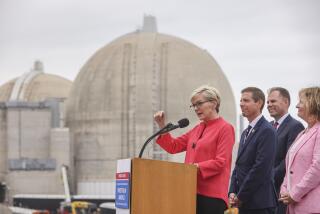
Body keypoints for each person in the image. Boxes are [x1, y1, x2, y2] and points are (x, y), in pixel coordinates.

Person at [154, 85, 235, 214]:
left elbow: (221, 162)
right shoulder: (196, 129)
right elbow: (173, 146)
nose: (196, 108)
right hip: (190, 192)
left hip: (212, 196)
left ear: (214, 103)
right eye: (194, 105)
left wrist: (194, 167)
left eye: (199, 104)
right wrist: (161, 125)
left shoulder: (225, 128)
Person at [229, 87, 277, 214]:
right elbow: (238, 165)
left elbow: (260, 168)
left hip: (259, 203)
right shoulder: (245, 132)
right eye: (240, 100)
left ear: (259, 103)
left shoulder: (267, 130)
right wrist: (233, 191)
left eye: (246, 100)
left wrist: (241, 195)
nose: (241, 104)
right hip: (244, 202)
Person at [279, 87, 320, 213]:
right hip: (293, 206)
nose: (297, 106)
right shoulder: (302, 134)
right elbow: (290, 168)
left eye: (301, 102)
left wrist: (295, 194)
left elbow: (317, 167)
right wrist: (284, 189)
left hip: (311, 207)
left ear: (312, 104)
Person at [267, 87, 304, 214]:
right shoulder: (268, 127)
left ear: (286, 102)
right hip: (266, 193)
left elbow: (289, 160)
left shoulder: (295, 126)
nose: (269, 105)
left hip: (281, 191)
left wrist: (268, 177)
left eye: (273, 101)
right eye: (268, 102)